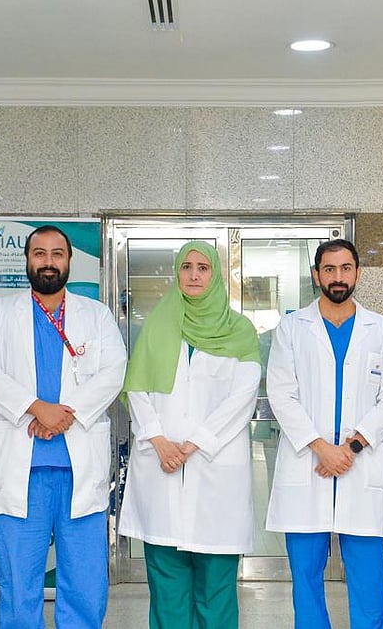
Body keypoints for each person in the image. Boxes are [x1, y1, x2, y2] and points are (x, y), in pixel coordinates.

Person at [0, 226, 127, 629]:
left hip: (79, 469)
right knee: (18, 584)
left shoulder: (96, 315)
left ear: (69, 261)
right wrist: (36, 408)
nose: (49, 262)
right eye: (40, 253)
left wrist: (65, 414)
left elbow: (114, 370)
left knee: (86, 584)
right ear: (27, 260)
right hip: (21, 470)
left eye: (57, 254)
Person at [264, 238, 383, 629]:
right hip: (308, 465)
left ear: (358, 273)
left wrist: (351, 447)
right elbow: (281, 393)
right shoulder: (292, 328)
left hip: (360, 467)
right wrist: (321, 448)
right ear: (316, 275)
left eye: (346, 268)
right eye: (329, 269)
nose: (338, 277)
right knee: (306, 580)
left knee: (368, 581)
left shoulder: (381, 330)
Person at [117, 241, 262, 628]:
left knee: (216, 591)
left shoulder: (240, 331)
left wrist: (193, 443)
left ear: (216, 275)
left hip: (215, 475)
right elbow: (137, 388)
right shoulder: (158, 327)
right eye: (186, 267)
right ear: (177, 273)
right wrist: (159, 441)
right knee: (167, 589)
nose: (194, 275)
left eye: (203, 267)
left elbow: (242, 396)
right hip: (161, 468)